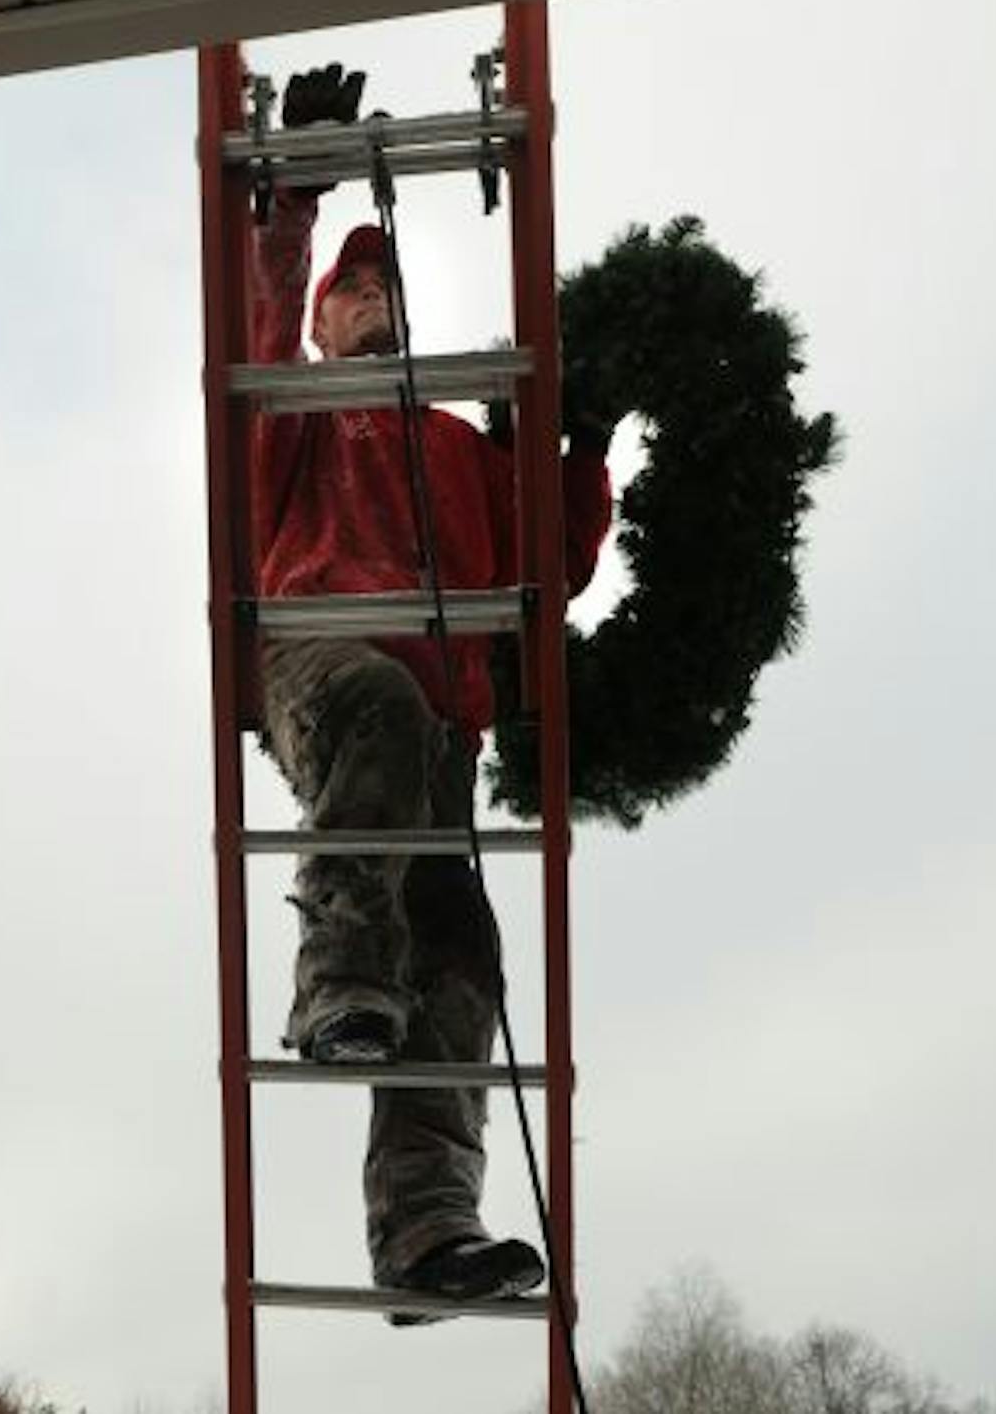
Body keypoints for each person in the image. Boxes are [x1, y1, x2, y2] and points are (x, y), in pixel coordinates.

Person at [248, 64, 616, 1312]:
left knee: (463, 955)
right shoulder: (298, 411)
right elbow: (250, 332)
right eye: (350, 294)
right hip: (328, 668)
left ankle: (424, 1233)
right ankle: (339, 971)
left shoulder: (458, 442)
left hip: (436, 730)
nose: (369, 305)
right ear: (321, 324)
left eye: (384, 286)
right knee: (382, 709)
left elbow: (546, 565)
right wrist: (295, 195)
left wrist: (576, 444)